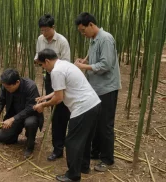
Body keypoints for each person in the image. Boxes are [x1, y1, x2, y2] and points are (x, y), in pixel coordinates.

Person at [33, 49, 101, 182]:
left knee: (72, 142)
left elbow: (58, 98)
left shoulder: (56, 71)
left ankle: (73, 175)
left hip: (83, 108)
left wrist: (43, 105)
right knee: (85, 139)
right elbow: (62, 88)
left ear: (47, 61)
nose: (43, 68)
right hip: (94, 104)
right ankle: (84, 167)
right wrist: (45, 97)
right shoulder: (64, 64)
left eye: (42, 65)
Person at [74, 12, 121, 172]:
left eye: (83, 30)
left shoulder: (106, 38)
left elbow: (105, 65)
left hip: (107, 88)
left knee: (105, 124)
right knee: (95, 122)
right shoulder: (93, 40)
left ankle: (107, 159)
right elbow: (95, 59)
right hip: (95, 87)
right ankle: (96, 152)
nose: (83, 33)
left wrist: (84, 67)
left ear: (91, 25)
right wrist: (85, 61)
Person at [35, 13, 71, 161]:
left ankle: (67, 145)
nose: (43, 33)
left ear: (53, 28)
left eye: (46, 30)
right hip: (49, 77)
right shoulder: (40, 39)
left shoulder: (62, 41)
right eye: (41, 30)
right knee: (55, 114)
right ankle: (58, 148)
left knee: (63, 112)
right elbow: (37, 56)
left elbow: (66, 63)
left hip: (62, 77)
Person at [0, 68, 43, 158]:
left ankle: (30, 145)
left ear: (17, 82)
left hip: (30, 115)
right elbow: (1, 100)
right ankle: (14, 133)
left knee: (30, 123)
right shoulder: (5, 85)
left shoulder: (30, 86)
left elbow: (30, 108)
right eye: (5, 87)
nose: (6, 89)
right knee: (3, 138)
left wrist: (12, 119)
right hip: (14, 115)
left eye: (8, 87)